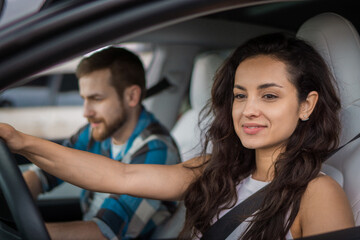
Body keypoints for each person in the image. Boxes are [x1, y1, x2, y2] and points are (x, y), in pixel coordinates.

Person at [0, 33, 355, 239]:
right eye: (240, 94)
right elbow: (119, 175)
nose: (248, 110)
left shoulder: (318, 193)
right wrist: (21, 141)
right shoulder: (216, 169)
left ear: (307, 105)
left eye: (270, 95)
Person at [21, 47, 181, 240]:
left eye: (96, 98)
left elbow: (106, 232)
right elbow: (47, 170)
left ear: (132, 96)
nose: (86, 112)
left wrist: (25, 233)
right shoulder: (96, 131)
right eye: (84, 99)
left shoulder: (156, 150)